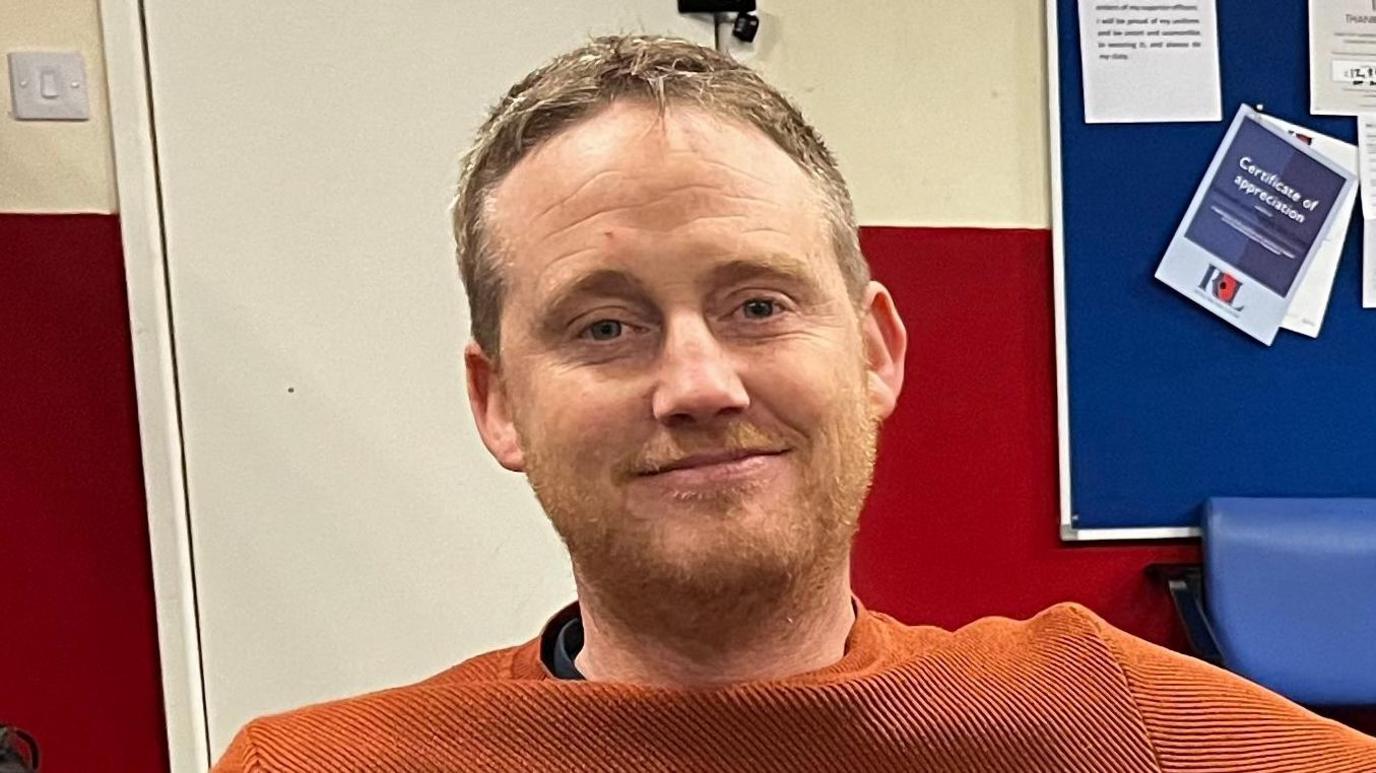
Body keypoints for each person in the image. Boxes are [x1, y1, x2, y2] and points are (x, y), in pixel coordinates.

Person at [215, 35, 1376, 772]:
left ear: (874, 351)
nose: (698, 384)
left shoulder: (1107, 722)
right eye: (602, 326)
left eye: (757, 304)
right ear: (498, 401)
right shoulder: (317, 761)